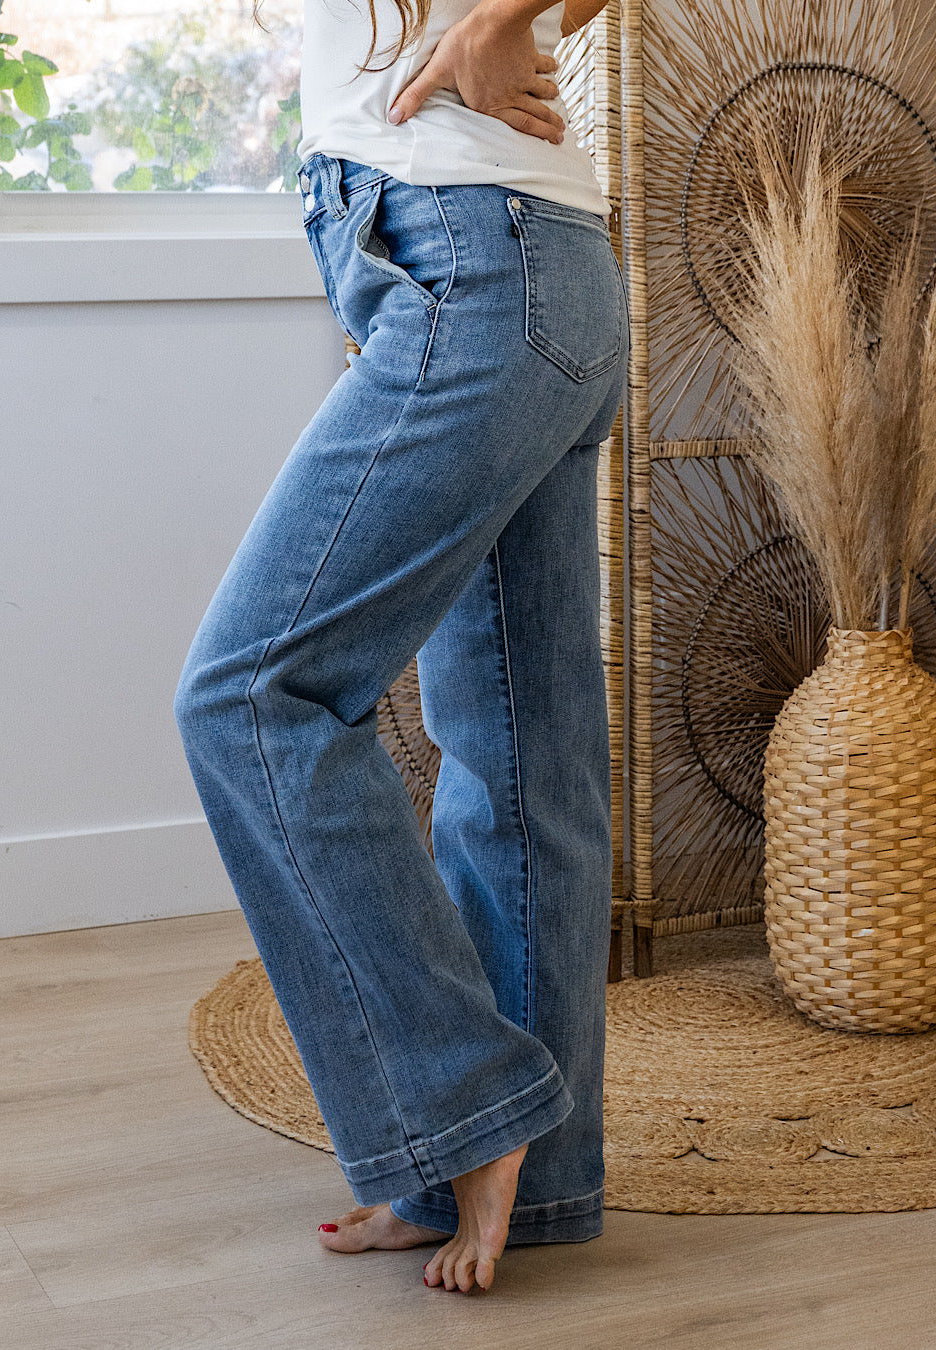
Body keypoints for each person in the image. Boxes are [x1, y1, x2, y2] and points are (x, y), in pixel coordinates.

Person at [173, 0, 628, 1295]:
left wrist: (501, 19)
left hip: (470, 252)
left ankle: (465, 1106)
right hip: (533, 262)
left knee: (252, 694)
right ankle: (518, 1180)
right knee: (522, 762)